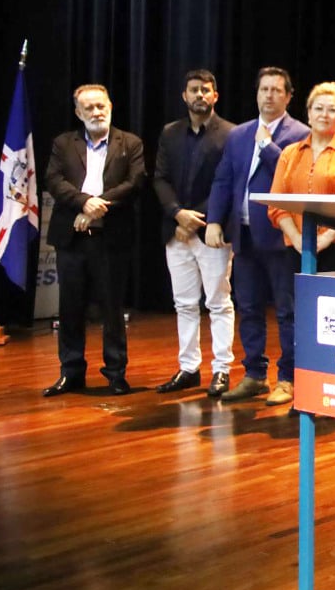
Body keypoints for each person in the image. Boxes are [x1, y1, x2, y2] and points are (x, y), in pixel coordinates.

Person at [205, 67, 308, 403]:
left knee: (286, 311)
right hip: (244, 235)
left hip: (281, 236)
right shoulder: (238, 134)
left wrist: (266, 147)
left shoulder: (300, 134)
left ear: (289, 96)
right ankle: (253, 374)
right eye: (264, 89)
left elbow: (292, 178)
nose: (269, 96)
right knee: (247, 306)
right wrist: (214, 220)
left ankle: (288, 378)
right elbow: (223, 180)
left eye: (277, 90)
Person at [266, 81, 335, 404]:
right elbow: (276, 203)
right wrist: (299, 239)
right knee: (293, 315)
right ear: (308, 114)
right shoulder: (289, 153)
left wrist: (324, 239)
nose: (324, 114)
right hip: (297, 248)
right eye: (318, 108)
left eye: (332, 109)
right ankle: (290, 380)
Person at [42, 84, 146, 397]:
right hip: (72, 238)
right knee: (70, 308)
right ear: (78, 112)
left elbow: (135, 182)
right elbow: (53, 180)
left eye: (101, 106)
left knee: (112, 308)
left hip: (111, 238)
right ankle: (70, 372)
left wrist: (98, 206)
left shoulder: (130, 142)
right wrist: (84, 202)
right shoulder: (63, 143)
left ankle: (115, 373)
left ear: (111, 106)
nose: (96, 112)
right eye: (89, 108)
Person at [152, 70, 237, 397]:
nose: (200, 95)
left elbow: (227, 182)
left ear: (215, 95)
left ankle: (222, 370)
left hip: (212, 230)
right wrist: (177, 213)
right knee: (184, 304)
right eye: (194, 90)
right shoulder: (169, 133)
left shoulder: (231, 134)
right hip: (175, 231)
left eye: (206, 90)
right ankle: (188, 368)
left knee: (218, 302)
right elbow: (159, 178)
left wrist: (195, 217)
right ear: (184, 96)